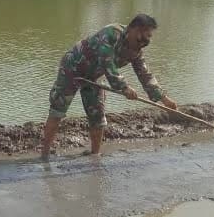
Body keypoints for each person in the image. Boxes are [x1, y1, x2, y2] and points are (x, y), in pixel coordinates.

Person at [41, 13, 179, 158]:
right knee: (58, 110)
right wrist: (124, 87)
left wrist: (164, 99)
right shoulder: (111, 34)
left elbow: (145, 74)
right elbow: (108, 65)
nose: (145, 41)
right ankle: (44, 155)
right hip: (73, 69)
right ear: (134, 29)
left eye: (149, 38)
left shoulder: (136, 49)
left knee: (98, 115)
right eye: (144, 36)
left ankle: (95, 155)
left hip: (94, 76)